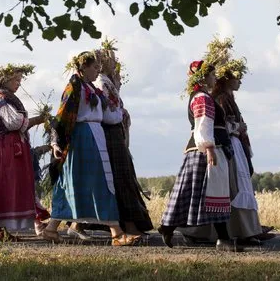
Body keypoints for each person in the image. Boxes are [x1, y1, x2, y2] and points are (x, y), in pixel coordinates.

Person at [41, 51, 140, 246]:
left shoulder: (91, 89)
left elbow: (107, 115)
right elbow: (61, 117)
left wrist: (121, 113)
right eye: (94, 67)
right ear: (84, 67)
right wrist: (55, 142)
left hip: (95, 136)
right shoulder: (74, 88)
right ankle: (117, 233)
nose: (97, 71)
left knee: (83, 184)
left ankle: (52, 228)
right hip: (82, 139)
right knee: (97, 182)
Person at [158, 60, 243, 252]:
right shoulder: (202, 98)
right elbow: (202, 123)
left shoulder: (203, 96)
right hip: (205, 151)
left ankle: (168, 226)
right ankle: (223, 239)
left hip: (206, 149)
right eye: (212, 75)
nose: (215, 78)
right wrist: (209, 147)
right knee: (211, 192)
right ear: (204, 77)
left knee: (195, 193)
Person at [0, 64, 47, 241]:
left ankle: (6, 231)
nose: (19, 84)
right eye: (16, 80)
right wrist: (32, 119)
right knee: (6, 185)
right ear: (5, 79)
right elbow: (13, 122)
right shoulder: (2, 96)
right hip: (5, 148)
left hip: (12, 146)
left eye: (20, 80)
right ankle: (1, 230)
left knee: (14, 185)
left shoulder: (8, 96)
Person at [94, 41, 153, 236]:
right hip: (110, 133)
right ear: (103, 62)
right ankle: (128, 224)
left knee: (125, 176)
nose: (115, 63)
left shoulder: (108, 82)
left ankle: (131, 222)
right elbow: (108, 112)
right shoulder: (101, 82)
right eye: (112, 60)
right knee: (120, 178)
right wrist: (120, 113)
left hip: (115, 132)